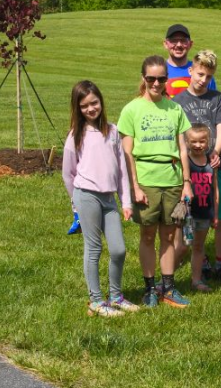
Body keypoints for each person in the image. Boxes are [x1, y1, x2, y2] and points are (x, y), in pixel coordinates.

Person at [117, 55, 192, 308]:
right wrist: (135, 186)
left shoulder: (175, 109)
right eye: (151, 78)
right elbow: (127, 152)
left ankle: (168, 287)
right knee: (148, 235)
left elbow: (182, 148)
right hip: (146, 180)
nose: (157, 83)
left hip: (172, 180)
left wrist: (186, 182)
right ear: (143, 79)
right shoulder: (131, 109)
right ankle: (149, 289)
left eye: (161, 78)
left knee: (170, 236)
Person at [62, 80, 139, 317]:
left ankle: (116, 296)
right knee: (93, 248)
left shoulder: (113, 131)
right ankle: (96, 300)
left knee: (118, 250)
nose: (91, 109)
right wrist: (75, 202)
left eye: (94, 103)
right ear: (78, 108)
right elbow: (68, 173)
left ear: (101, 102)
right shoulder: (76, 135)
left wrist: (126, 201)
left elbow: (122, 169)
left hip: (109, 199)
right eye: (84, 106)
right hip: (86, 197)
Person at [172, 50, 221, 284]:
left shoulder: (216, 98)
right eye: (200, 74)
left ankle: (220, 264)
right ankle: (194, 258)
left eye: (208, 76)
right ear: (191, 70)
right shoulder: (177, 101)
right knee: (188, 215)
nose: (202, 80)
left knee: (220, 214)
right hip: (188, 170)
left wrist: (215, 151)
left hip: (214, 165)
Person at [185, 124, 219, 293]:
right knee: (182, 247)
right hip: (188, 214)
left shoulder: (211, 163)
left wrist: (216, 215)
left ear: (208, 142)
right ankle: (166, 277)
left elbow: (215, 190)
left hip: (206, 212)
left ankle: (196, 280)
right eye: (193, 141)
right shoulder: (186, 162)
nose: (198, 145)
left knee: (199, 247)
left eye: (202, 141)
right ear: (187, 141)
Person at [163, 24, 215, 97]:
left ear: (190, 44)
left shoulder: (203, 72)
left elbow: (212, 103)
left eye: (183, 40)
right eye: (173, 40)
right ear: (165, 44)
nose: (179, 45)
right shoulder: (157, 71)